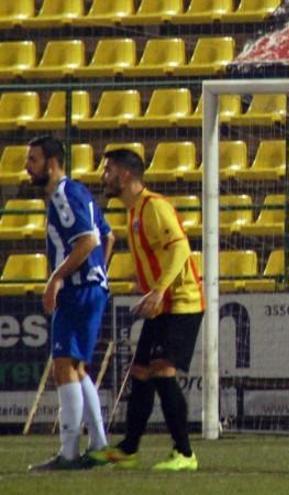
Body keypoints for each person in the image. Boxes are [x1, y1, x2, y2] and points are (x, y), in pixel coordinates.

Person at [97, 149, 204, 471]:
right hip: (162, 305)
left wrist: (158, 289)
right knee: (140, 373)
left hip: (180, 303)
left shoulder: (153, 206)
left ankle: (185, 454)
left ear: (126, 175)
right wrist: (141, 281)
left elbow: (181, 248)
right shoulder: (133, 212)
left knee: (161, 371)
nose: (104, 176)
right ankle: (129, 449)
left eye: (109, 170)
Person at [26, 136, 114, 471]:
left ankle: (69, 453)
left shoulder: (63, 194)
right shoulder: (81, 193)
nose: (26, 167)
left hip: (78, 291)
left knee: (63, 366)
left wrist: (56, 278)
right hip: (90, 288)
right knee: (77, 367)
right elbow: (108, 235)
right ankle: (100, 445)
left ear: (51, 163)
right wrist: (99, 272)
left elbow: (88, 240)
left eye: (32, 160)